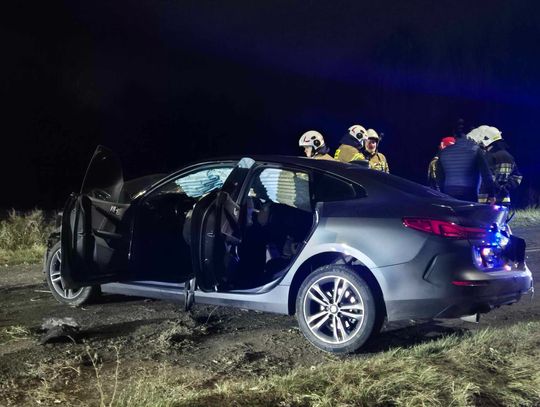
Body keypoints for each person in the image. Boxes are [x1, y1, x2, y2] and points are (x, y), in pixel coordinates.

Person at [467, 126, 522, 206]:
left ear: (484, 141)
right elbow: (517, 177)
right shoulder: (508, 156)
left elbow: (488, 178)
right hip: (504, 201)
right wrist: (505, 188)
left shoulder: (486, 157)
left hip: (486, 202)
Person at [435, 130, 496, 202]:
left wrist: (443, 191)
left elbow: (439, 175)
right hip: (469, 192)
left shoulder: (444, 152)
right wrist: (491, 194)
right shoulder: (475, 150)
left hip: (448, 191)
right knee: (469, 212)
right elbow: (486, 174)